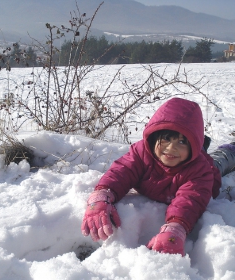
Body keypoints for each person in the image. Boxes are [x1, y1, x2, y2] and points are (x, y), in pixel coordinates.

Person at [81, 97, 235, 256]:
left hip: (207, 165)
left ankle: (227, 149)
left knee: (219, 161)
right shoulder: (141, 153)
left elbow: (191, 199)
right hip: (191, 152)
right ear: (155, 136)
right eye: (166, 138)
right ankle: (198, 142)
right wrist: (102, 194)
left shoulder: (200, 170)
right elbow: (121, 171)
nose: (171, 148)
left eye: (182, 142)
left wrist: (177, 227)